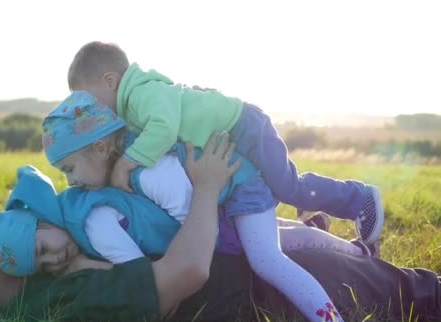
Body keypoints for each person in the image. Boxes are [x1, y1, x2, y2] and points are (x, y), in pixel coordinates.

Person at [0, 142, 440, 322]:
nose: (2, 256)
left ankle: (322, 234)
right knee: (397, 287)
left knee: (315, 247)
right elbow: (188, 271)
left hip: (238, 249)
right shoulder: (68, 293)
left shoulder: (53, 267)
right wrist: (205, 187)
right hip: (249, 280)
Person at [42, 92, 371, 322]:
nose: (69, 181)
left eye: (69, 168)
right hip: (223, 196)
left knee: (266, 259)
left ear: (100, 148)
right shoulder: (129, 162)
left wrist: (173, 274)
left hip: (241, 186)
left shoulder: (148, 171)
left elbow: (197, 225)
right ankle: (357, 251)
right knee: (281, 237)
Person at [64, 41, 383, 246]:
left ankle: (359, 198)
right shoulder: (132, 101)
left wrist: (126, 162)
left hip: (244, 126)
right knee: (254, 201)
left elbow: (163, 128)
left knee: (286, 185)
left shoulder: (141, 94)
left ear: (109, 81)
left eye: (88, 99)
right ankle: (314, 223)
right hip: (229, 136)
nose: (91, 108)